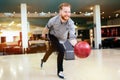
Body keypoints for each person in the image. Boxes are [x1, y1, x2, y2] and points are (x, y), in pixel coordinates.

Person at [41, 2, 77, 79]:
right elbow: (46, 28)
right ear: (60, 11)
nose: (67, 14)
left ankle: (43, 60)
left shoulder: (71, 23)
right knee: (61, 50)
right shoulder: (53, 20)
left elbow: (72, 38)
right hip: (53, 36)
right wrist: (43, 34)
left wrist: (77, 46)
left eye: (69, 12)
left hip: (61, 38)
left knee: (51, 49)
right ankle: (60, 71)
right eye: (65, 11)